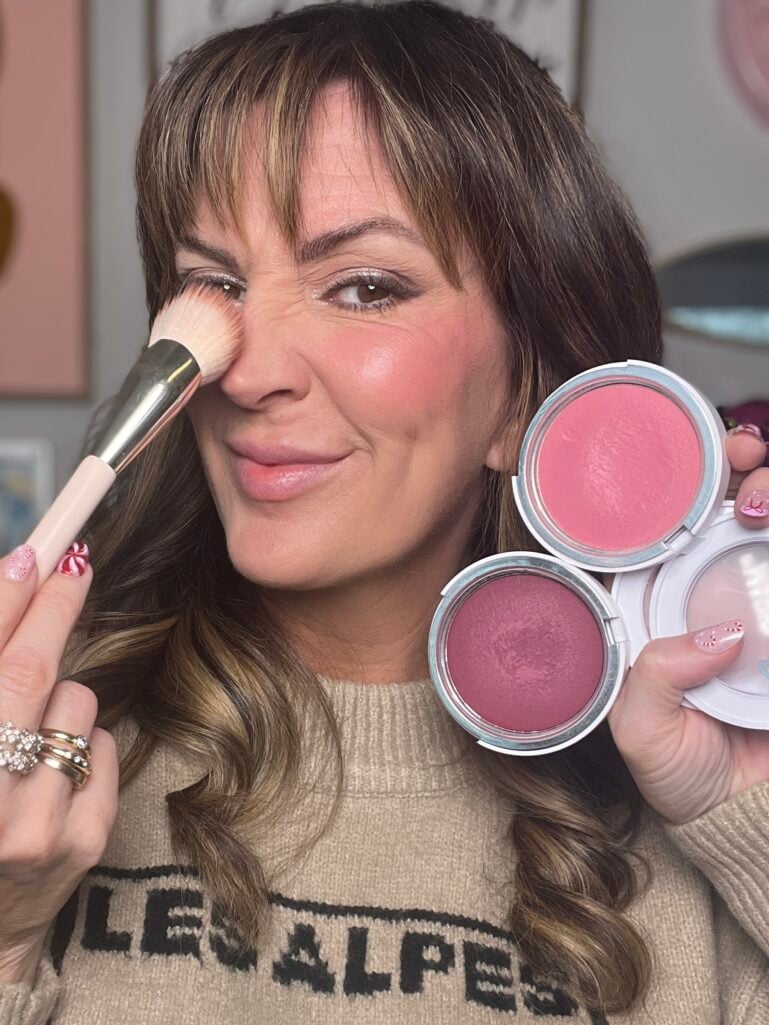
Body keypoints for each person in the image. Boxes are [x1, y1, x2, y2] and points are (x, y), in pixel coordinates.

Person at [1, 2, 768, 1021]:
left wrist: (747, 810)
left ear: (524, 394)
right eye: (213, 282)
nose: (250, 371)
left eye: (363, 287)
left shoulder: (694, 805)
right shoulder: (47, 756)